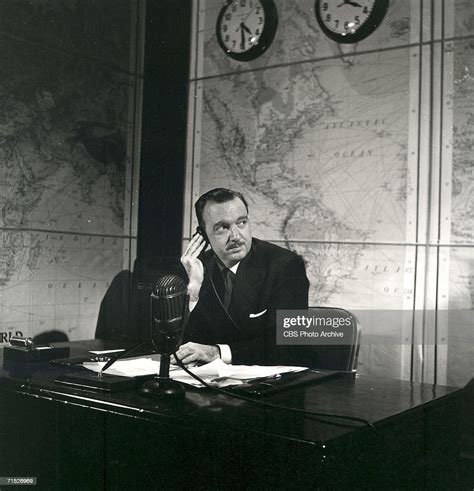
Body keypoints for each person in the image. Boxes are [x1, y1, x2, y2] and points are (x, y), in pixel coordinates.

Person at [176, 188, 310, 366]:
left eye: (241, 223)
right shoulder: (199, 268)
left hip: (274, 384)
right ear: (203, 235)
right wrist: (194, 289)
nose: (236, 236)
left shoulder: (284, 266)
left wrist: (218, 352)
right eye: (223, 227)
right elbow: (188, 347)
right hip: (215, 384)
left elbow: (288, 346)